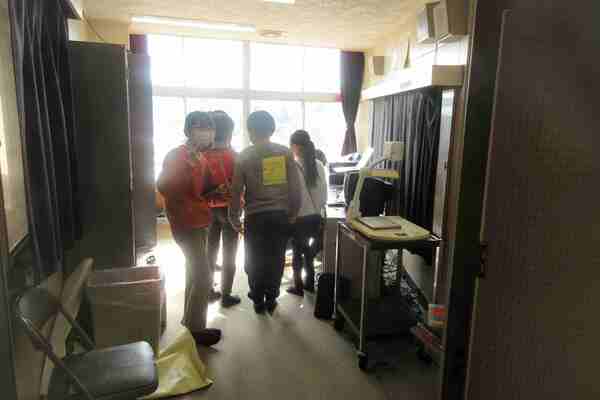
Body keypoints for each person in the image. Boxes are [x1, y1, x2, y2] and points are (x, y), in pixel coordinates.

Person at [157, 111, 221, 346]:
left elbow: (204, 188)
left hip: (200, 220)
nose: (206, 132)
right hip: (186, 223)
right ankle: (195, 329)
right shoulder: (177, 155)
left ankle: (189, 321)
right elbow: (164, 186)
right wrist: (187, 168)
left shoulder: (201, 157)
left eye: (209, 128)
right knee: (204, 276)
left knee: (194, 273)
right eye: (200, 127)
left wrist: (217, 190)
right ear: (187, 130)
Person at [229, 111, 301, 314]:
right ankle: (271, 297)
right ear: (272, 129)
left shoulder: (244, 156)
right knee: (276, 258)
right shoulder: (285, 153)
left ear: (250, 131)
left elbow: (236, 191)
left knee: (254, 259)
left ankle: (257, 297)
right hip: (280, 216)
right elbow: (295, 188)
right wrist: (294, 212)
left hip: (255, 217)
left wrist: (233, 216)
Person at [204, 111, 241, 308]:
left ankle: (208, 290)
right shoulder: (235, 156)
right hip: (230, 211)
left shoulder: (202, 155)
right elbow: (241, 187)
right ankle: (226, 295)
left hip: (207, 210)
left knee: (209, 251)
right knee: (230, 253)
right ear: (229, 133)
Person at [287, 130, 328, 296]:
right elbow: (324, 195)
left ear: (296, 147)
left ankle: (298, 286)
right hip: (316, 217)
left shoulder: (293, 166)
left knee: (298, 253)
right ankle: (309, 284)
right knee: (308, 253)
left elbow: (292, 195)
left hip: (300, 218)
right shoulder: (319, 164)